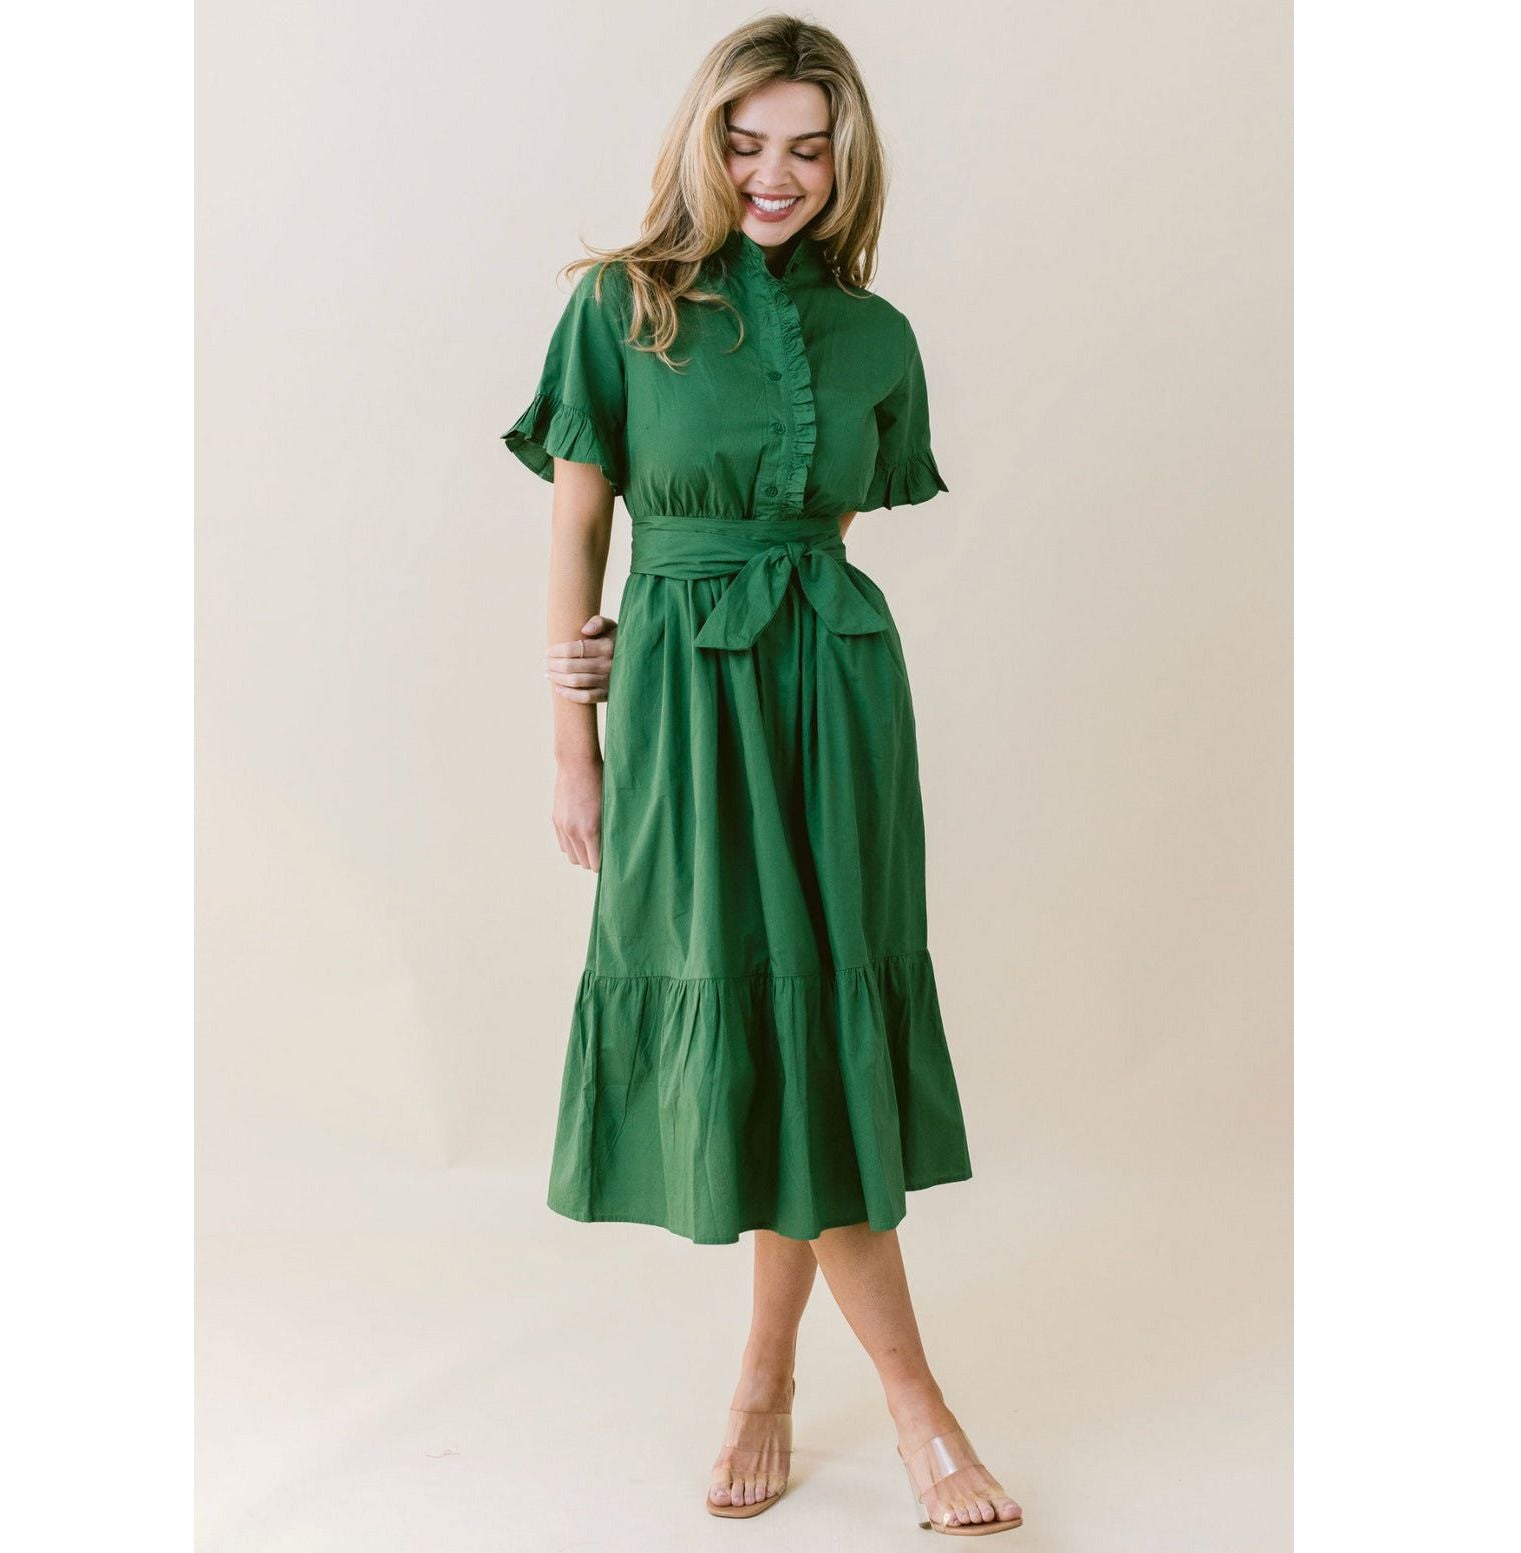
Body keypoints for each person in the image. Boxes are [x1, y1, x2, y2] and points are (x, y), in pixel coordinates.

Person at [501, 13, 1025, 1537]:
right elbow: (574, 529)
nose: (773, 173)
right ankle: (905, 1404)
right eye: (744, 143)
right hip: (680, 694)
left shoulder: (879, 337)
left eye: (806, 146)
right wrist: (572, 732)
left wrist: (779, 623)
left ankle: (767, 1379)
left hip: (835, 686)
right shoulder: (621, 308)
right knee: (767, 1020)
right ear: (700, 142)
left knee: (819, 1032)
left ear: (844, 157)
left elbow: (830, 527)